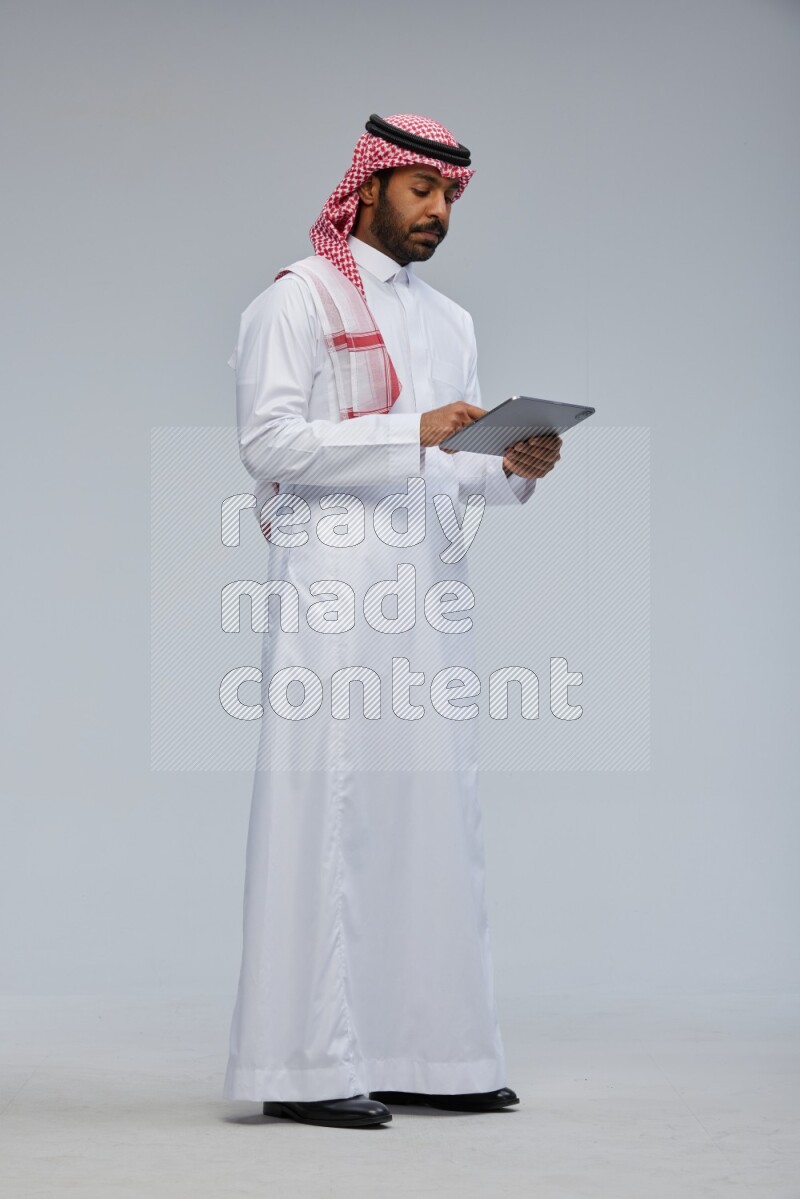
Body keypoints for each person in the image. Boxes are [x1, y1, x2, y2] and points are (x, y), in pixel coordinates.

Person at [223, 112, 562, 1130]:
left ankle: (433, 1051)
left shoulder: (451, 320)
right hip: (333, 589)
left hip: (428, 591)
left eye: (450, 195)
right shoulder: (297, 298)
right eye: (421, 190)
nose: (438, 211)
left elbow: (455, 467)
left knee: (432, 813)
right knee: (328, 811)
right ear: (366, 185)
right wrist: (408, 430)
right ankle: (304, 1064)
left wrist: (512, 465)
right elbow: (269, 443)